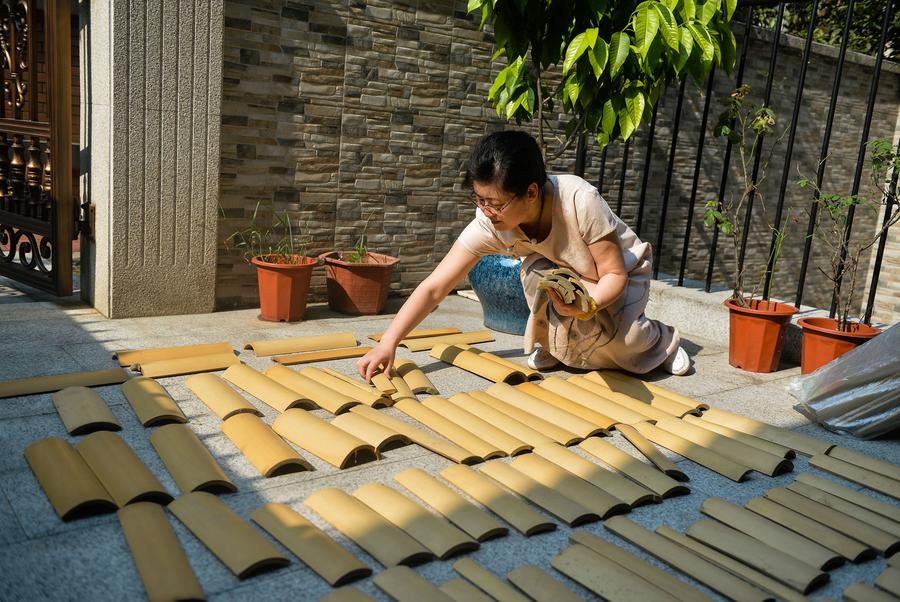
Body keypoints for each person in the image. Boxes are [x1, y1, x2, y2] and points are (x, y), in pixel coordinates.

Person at [357, 130, 689, 382]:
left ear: (531, 192)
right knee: (537, 273)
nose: (486, 211)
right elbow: (435, 287)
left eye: (495, 202)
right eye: (479, 199)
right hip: (568, 283)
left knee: (624, 346)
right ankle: (560, 349)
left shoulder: (579, 200)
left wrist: (586, 305)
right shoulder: (489, 224)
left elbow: (614, 276)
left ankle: (662, 343)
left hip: (618, 278)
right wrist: (389, 342)